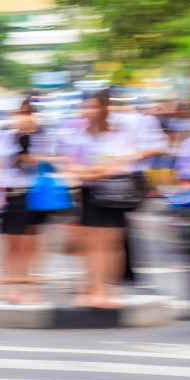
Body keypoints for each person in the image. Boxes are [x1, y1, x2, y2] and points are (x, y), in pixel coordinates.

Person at [62, 90, 137, 308]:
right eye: (85, 107)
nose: (89, 111)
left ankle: (109, 289)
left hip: (115, 191)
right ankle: (94, 288)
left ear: (105, 108)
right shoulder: (77, 133)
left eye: (94, 106)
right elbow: (69, 164)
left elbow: (123, 160)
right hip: (89, 193)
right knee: (92, 243)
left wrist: (94, 172)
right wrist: (91, 173)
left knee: (112, 243)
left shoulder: (118, 132)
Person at [0, 97, 48, 304]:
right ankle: (9, 287)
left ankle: (30, 287)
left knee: (32, 243)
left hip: (37, 193)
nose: (24, 117)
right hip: (11, 192)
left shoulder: (43, 137)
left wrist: (35, 155)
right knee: (11, 243)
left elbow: (52, 159)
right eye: (20, 112)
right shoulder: (4, 137)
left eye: (28, 112)